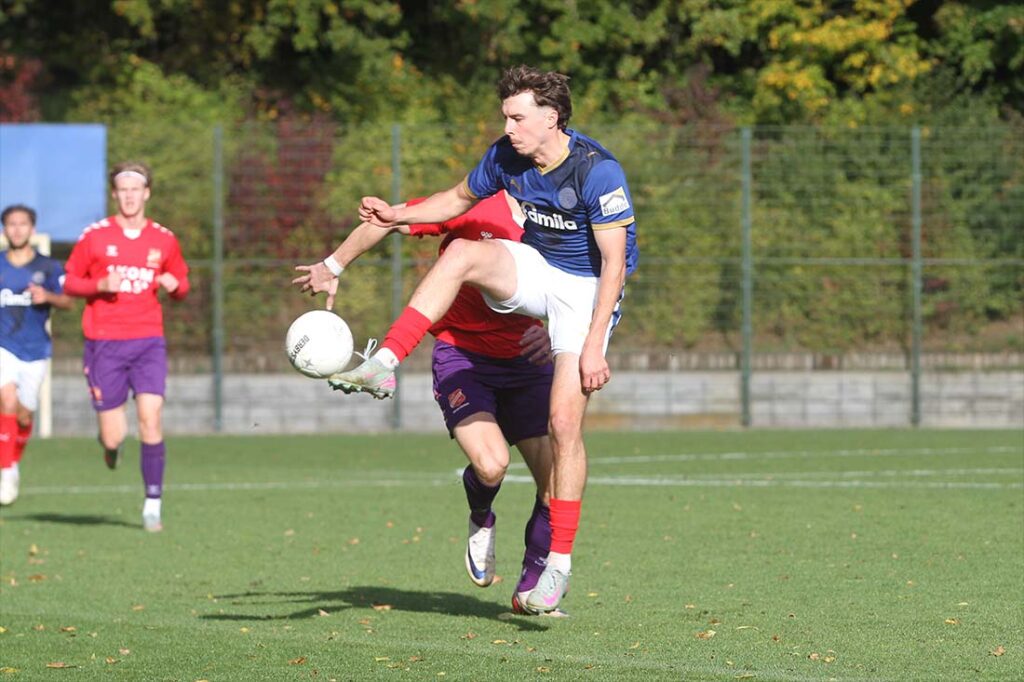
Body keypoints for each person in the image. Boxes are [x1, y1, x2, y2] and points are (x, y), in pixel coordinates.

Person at [330, 65, 638, 614]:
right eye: (505, 115)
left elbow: (614, 264)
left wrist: (593, 347)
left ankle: (557, 569)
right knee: (462, 253)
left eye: (518, 117)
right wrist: (397, 214)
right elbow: (451, 201)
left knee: (565, 424)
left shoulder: (597, 170)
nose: (508, 125)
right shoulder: (505, 156)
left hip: (589, 290)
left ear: (552, 116)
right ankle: (385, 361)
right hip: (541, 269)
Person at [294, 191, 563, 615]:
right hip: (464, 355)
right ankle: (481, 515)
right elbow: (389, 220)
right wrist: (333, 265)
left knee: (556, 482)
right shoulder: (471, 201)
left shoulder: (562, 218)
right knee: (491, 464)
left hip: (529, 362)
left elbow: (584, 285)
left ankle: (531, 588)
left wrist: (555, 331)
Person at [63, 162, 191, 532]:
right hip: (104, 344)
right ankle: (109, 447)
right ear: (115, 194)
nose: (130, 195)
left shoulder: (164, 239)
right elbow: (69, 281)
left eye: (136, 188)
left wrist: (175, 286)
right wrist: (99, 284)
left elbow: (182, 284)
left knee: (151, 419)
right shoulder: (95, 236)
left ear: (147, 193)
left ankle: (153, 503)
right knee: (114, 434)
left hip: (149, 342)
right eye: (123, 189)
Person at [0, 205, 73, 505]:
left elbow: (69, 301)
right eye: (11, 224)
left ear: (32, 229)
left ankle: (13, 459)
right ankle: (6, 470)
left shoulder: (50, 267)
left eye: (22, 224)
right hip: (4, 345)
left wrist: (49, 297)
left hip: (35, 349)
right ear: (4, 230)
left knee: (25, 413)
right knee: (7, 399)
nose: (17, 229)